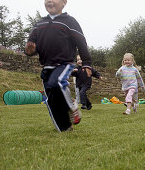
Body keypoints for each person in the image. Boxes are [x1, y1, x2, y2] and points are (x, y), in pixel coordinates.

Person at [25, 0, 92, 132]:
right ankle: (65, 127)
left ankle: (72, 107)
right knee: (51, 99)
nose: (49, 1)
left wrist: (87, 64)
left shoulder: (70, 21)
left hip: (64, 63)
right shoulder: (39, 24)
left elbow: (81, 42)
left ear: (64, 2)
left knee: (57, 83)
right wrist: (29, 50)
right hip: (46, 66)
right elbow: (30, 46)